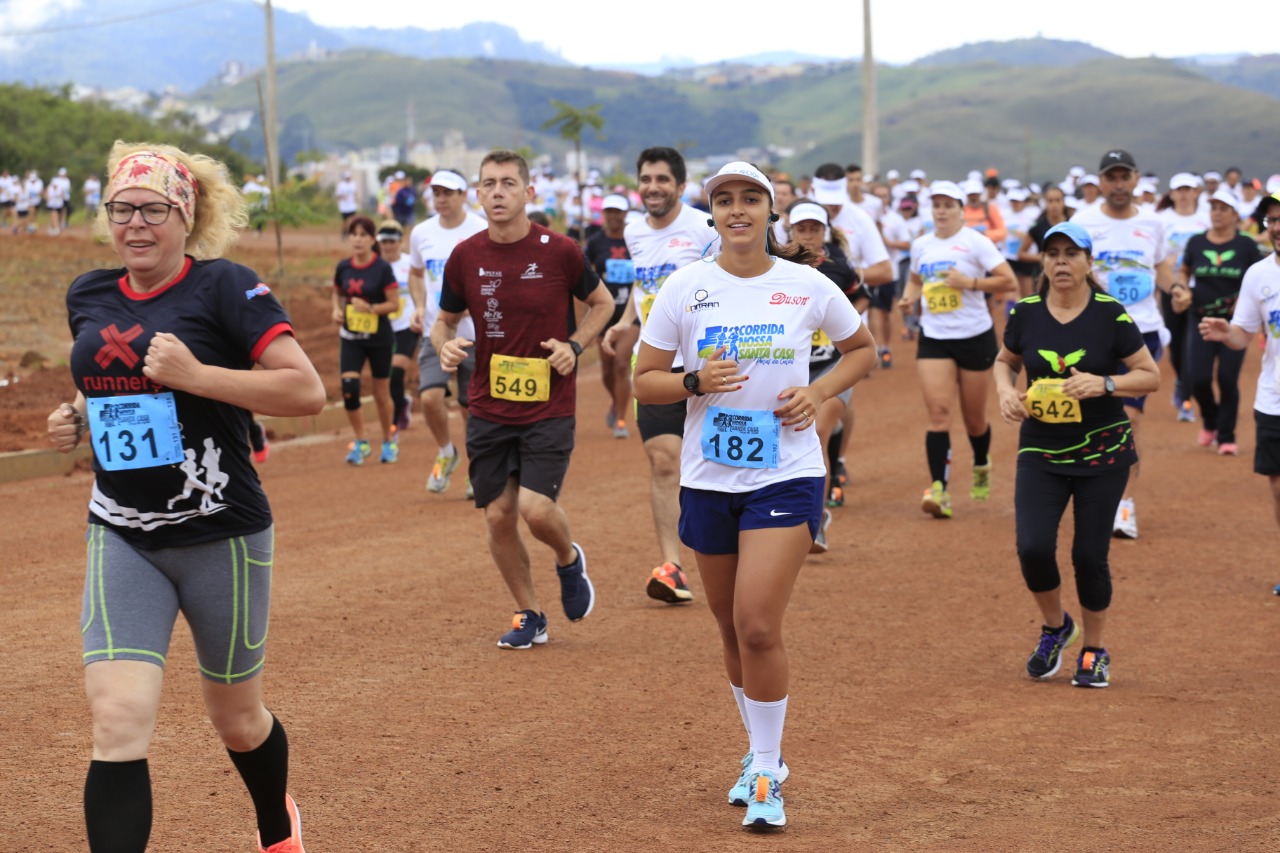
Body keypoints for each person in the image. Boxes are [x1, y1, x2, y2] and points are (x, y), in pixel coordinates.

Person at [46, 142, 324, 853]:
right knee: (117, 720)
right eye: (122, 209)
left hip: (219, 534)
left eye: (153, 209)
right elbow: (104, 370)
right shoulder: (88, 292)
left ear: (186, 211)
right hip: (123, 532)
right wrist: (77, 411)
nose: (135, 224)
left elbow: (306, 391)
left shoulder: (227, 287)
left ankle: (275, 824)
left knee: (237, 717)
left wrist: (198, 374)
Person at [633, 161, 875, 830]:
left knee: (759, 622)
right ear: (713, 213)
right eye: (726, 200)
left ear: (771, 211)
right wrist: (692, 380)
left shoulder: (806, 285)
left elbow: (863, 351)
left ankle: (768, 768)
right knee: (729, 626)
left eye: (751, 199)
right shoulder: (687, 288)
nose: (738, 210)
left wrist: (819, 391)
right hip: (708, 478)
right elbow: (642, 380)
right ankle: (755, 748)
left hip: (787, 473)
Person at [430, 149, 614, 649]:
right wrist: (443, 343)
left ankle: (568, 559)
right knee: (497, 515)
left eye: (508, 183)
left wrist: (576, 346)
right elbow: (442, 320)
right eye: (488, 184)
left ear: (529, 192)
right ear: (477, 193)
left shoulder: (560, 252)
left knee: (535, 510)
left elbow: (603, 303)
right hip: (488, 404)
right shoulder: (465, 256)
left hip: (548, 404)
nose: (497, 192)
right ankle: (529, 613)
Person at [994, 222, 1159, 688]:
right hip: (1041, 449)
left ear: (1089, 262)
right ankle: (1056, 627)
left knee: (1089, 555)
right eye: (1052, 254)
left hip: (1103, 450)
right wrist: (1006, 391)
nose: (1061, 261)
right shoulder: (1026, 312)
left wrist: (1105, 383)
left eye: (1071, 253)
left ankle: (1094, 649)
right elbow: (1005, 360)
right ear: (1042, 264)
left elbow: (1150, 376)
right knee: (1032, 547)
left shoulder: (1111, 314)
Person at [600, 146, 719, 605]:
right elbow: (642, 284)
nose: (653, 187)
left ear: (681, 187)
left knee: (710, 462)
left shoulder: (703, 228)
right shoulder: (633, 229)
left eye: (662, 180)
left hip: (708, 364)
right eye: (646, 178)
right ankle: (672, 566)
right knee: (665, 461)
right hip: (653, 364)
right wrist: (625, 320)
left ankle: (728, 549)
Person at [1070, 149, 1177, 539]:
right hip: (1091, 332)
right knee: (1093, 419)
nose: (1118, 185)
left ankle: (1124, 505)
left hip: (1142, 333)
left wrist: (1176, 287)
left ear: (1135, 180)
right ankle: (1093, 494)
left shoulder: (1152, 221)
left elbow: (1161, 264)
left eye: (1124, 177)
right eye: (1110, 178)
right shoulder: (1082, 222)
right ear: (1100, 182)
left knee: (1128, 421)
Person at [899, 180, 1017, 518]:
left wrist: (972, 283)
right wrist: (909, 299)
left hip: (974, 336)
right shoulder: (921, 244)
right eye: (936, 205)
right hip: (935, 337)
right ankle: (940, 490)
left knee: (975, 421)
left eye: (948, 205)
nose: (941, 211)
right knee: (938, 416)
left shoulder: (976, 244)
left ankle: (981, 461)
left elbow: (1008, 281)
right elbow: (916, 279)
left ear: (961, 210)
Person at [1199, 207, 1280, 594]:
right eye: (1273, 221)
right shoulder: (1259, 274)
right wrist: (1225, 331)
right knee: (1278, 487)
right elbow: (1243, 335)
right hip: (1274, 396)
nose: (1277, 228)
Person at [785, 199, 870, 551]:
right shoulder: (778, 265)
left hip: (833, 365)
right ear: (789, 230)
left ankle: (816, 521)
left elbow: (861, 297)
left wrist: (841, 322)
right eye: (801, 228)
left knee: (818, 432)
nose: (808, 235)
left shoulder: (837, 265)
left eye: (814, 229)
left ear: (825, 231)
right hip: (793, 369)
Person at [407, 169, 488, 495]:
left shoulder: (482, 229)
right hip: (435, 332)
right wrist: (417, 304)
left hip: (475, 333)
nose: (441, 199)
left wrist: (473, 306)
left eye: (448, 193)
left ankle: (476, 466)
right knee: (429, 398)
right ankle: (446, 452)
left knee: (473, 406)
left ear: (463, 195)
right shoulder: (421, 232)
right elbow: (415, 273)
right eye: (436, 193)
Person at [1177, 190, 1262, 455]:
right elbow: (1184, 269)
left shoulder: (1246, 245)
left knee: (1227, 377)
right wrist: (1183, 289)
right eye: (1214, 207)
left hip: (1234, 323)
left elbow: (1258, 275)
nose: (1217, 212)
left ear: (1235, 215)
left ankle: (1226, 436)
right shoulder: (1196, 242)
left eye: (1224, 208)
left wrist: (1246, 301)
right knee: (1198, 379)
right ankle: (1211, 421)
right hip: (1200, 318)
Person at [332, 215, 399, 465]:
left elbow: (393, 304)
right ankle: (361, 442)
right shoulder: (344, 267)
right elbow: (337, 293)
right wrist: (336, 310)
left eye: (363, 235)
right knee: (349, 388)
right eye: (354, 234)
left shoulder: (382, 268)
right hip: (351, 337)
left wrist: (370, 308)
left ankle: (388, 440)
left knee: (381, 393)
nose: (357, 239)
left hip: (379, 337)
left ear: (373, 240)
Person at [583, 193, 637, 438]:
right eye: (609, 211)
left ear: (626, 214)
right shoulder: (595, 243)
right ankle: (616, 401)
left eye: (618, 211)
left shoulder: (636, 240)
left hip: (632, 312)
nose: (613, 216)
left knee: (621, 363)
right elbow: (587, 278)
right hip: (606, 314)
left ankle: (622, 419)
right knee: (607, 370)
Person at [1160, 173, 1212, 423]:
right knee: (1176, 345)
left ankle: (1186, 399)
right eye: (1178, 190)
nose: (1183, 194)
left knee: (1192, 345)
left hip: (1199, 290)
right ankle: (1182, 384)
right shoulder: (1162, 221)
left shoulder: (1205, 221)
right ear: (1171, 194)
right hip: (1171, 289)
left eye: (1188, 189)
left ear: (1195, 192)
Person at [377, 219, 418, 435]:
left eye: (392, 241)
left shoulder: (411, 264)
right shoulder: (375, 266)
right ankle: (402, 402)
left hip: (407, 326)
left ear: (400, 241)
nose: (388, 245)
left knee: (395, 373)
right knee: (385, 377)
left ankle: (392, 424)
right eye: (384, 241)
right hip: (382, 328)